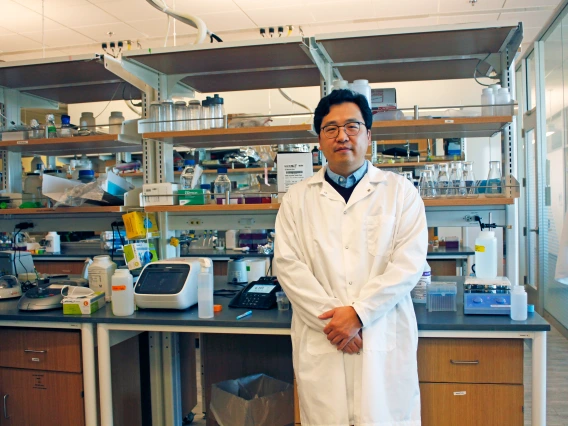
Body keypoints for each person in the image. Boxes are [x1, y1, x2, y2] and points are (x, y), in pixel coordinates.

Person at [274, 89, 428, 426]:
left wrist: (359, 314)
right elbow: (288, 266)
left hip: (381, 333)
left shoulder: (401, 193)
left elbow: (408, 264)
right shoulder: (297, 199)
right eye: (331, 128)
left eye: (352, 126)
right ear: (320, 139)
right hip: (323, 338)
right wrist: (336, 323)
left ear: (368, 135)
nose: (342, 136)